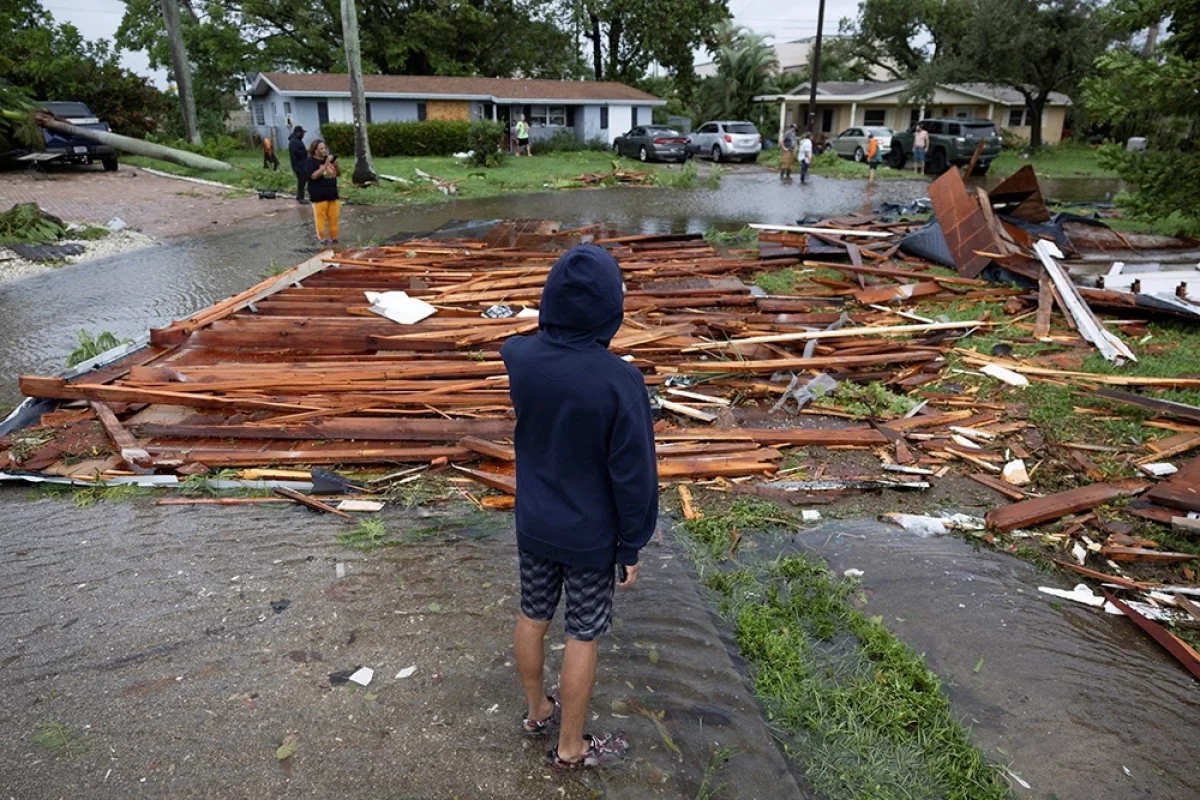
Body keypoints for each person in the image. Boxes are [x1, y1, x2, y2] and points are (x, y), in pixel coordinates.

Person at [500, 245, 658, 770]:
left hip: (535, 522)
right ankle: (570, 747)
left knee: (532, 614)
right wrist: (632, 543)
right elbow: (632, 476)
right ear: (611, 311)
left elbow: (514, 343)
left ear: (550, 301)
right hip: (591, 536)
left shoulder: (520, 357)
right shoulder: (621, 383)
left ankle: (536, 709)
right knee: (582, 633)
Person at [304, 139, 340, 246]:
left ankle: (334, 238)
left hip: (332, 193)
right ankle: (322, 239)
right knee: (320, 217)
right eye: (321, 149)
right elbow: (314, 176)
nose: (324, 151)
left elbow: (337, 174)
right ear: (315, 150)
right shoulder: (310, 161)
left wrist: (336, 166)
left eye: (325, 148)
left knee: (334, 216)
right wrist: (325, 164)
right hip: (318, 194)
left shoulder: (329, 159)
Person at [288, 126, 309, 204]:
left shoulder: (297, 140)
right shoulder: (294, 142)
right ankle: (301, 198)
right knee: (302, 181)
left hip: (301, 164)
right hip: (299, 165)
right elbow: (296, 153)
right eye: (303, 133)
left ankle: (298, 196)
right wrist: (306, 152)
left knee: (302, 180)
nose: (303, 135)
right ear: (298, 133)